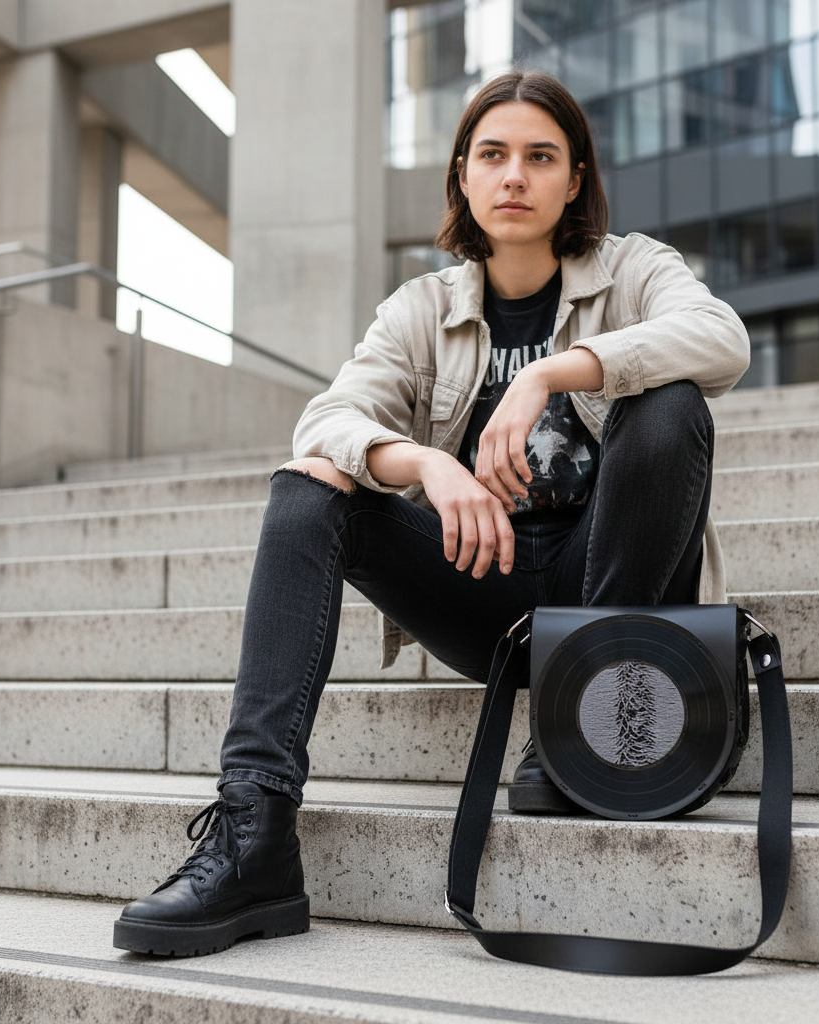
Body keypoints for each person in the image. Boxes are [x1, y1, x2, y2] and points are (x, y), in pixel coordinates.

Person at [113, 70, 750, 958]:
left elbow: (722, 337)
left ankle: (581, 718)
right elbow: (328, 419)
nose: (514, 177)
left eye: (540, 157)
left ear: (575, 179)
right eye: (492, 155)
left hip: (608, 585)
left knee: (672, 403)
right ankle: (255, 829)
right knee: (310, 482)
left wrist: (548, 373)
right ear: (462, 176)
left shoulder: (634, 269)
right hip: (481, 582)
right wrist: (425, 466)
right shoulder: (422, 309)